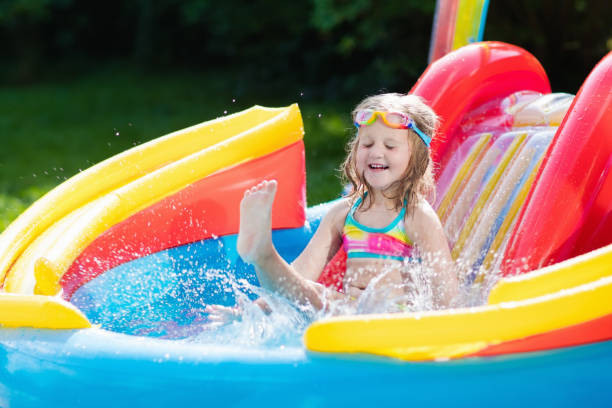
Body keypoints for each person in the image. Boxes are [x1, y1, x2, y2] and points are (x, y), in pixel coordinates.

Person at [207, 93, 458, 324]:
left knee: (319, 299)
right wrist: (246, 315)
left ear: (417, 158)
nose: (376, 153)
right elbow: (300, 273)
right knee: (314, 294)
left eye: (390, 146)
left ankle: (263, 254)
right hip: (349, 315)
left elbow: (446, 293)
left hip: (395, 323)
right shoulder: (344, 214)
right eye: (367, 144)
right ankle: (262, 256)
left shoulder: (415, 216)